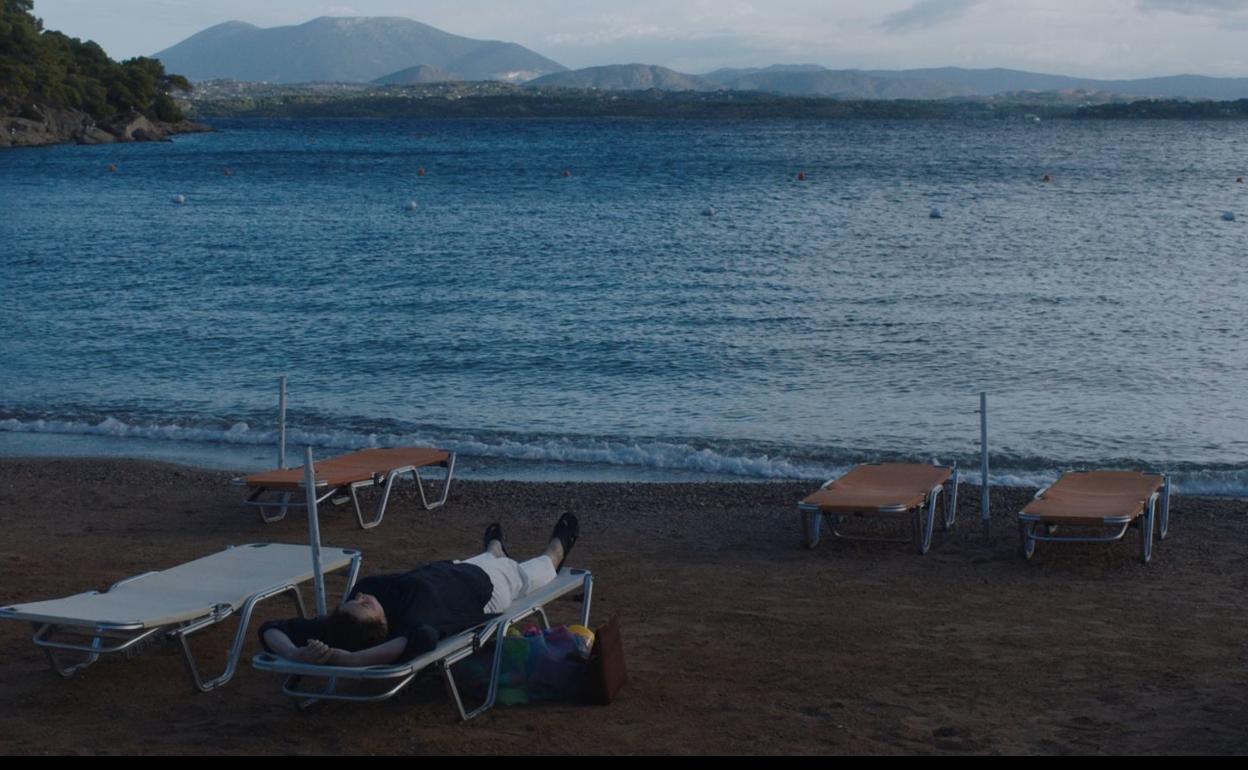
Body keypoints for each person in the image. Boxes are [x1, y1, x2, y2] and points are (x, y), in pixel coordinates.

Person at [260, 513, 579, 667]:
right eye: (364, 606)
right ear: (382, 626)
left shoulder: (340, 625)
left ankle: (495, 547)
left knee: (492, 554)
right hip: (491, 587)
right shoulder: (414, 622)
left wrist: (293, 652)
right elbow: (421, 639)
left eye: (353, 600)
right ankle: (559, 546)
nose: (361, 597)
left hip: (450, 567)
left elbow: (270, 628)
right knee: (545, 567)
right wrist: (350, 661)